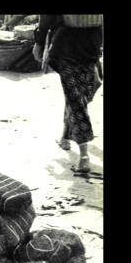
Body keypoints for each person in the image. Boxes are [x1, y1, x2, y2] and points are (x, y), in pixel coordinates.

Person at [33, 15, 103, 173]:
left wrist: (38, 42)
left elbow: (45, 18)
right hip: (79, 45)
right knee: (76, 96)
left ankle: (74, 146)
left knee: (77, 96)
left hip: (77, 46)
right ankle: (75, 147)